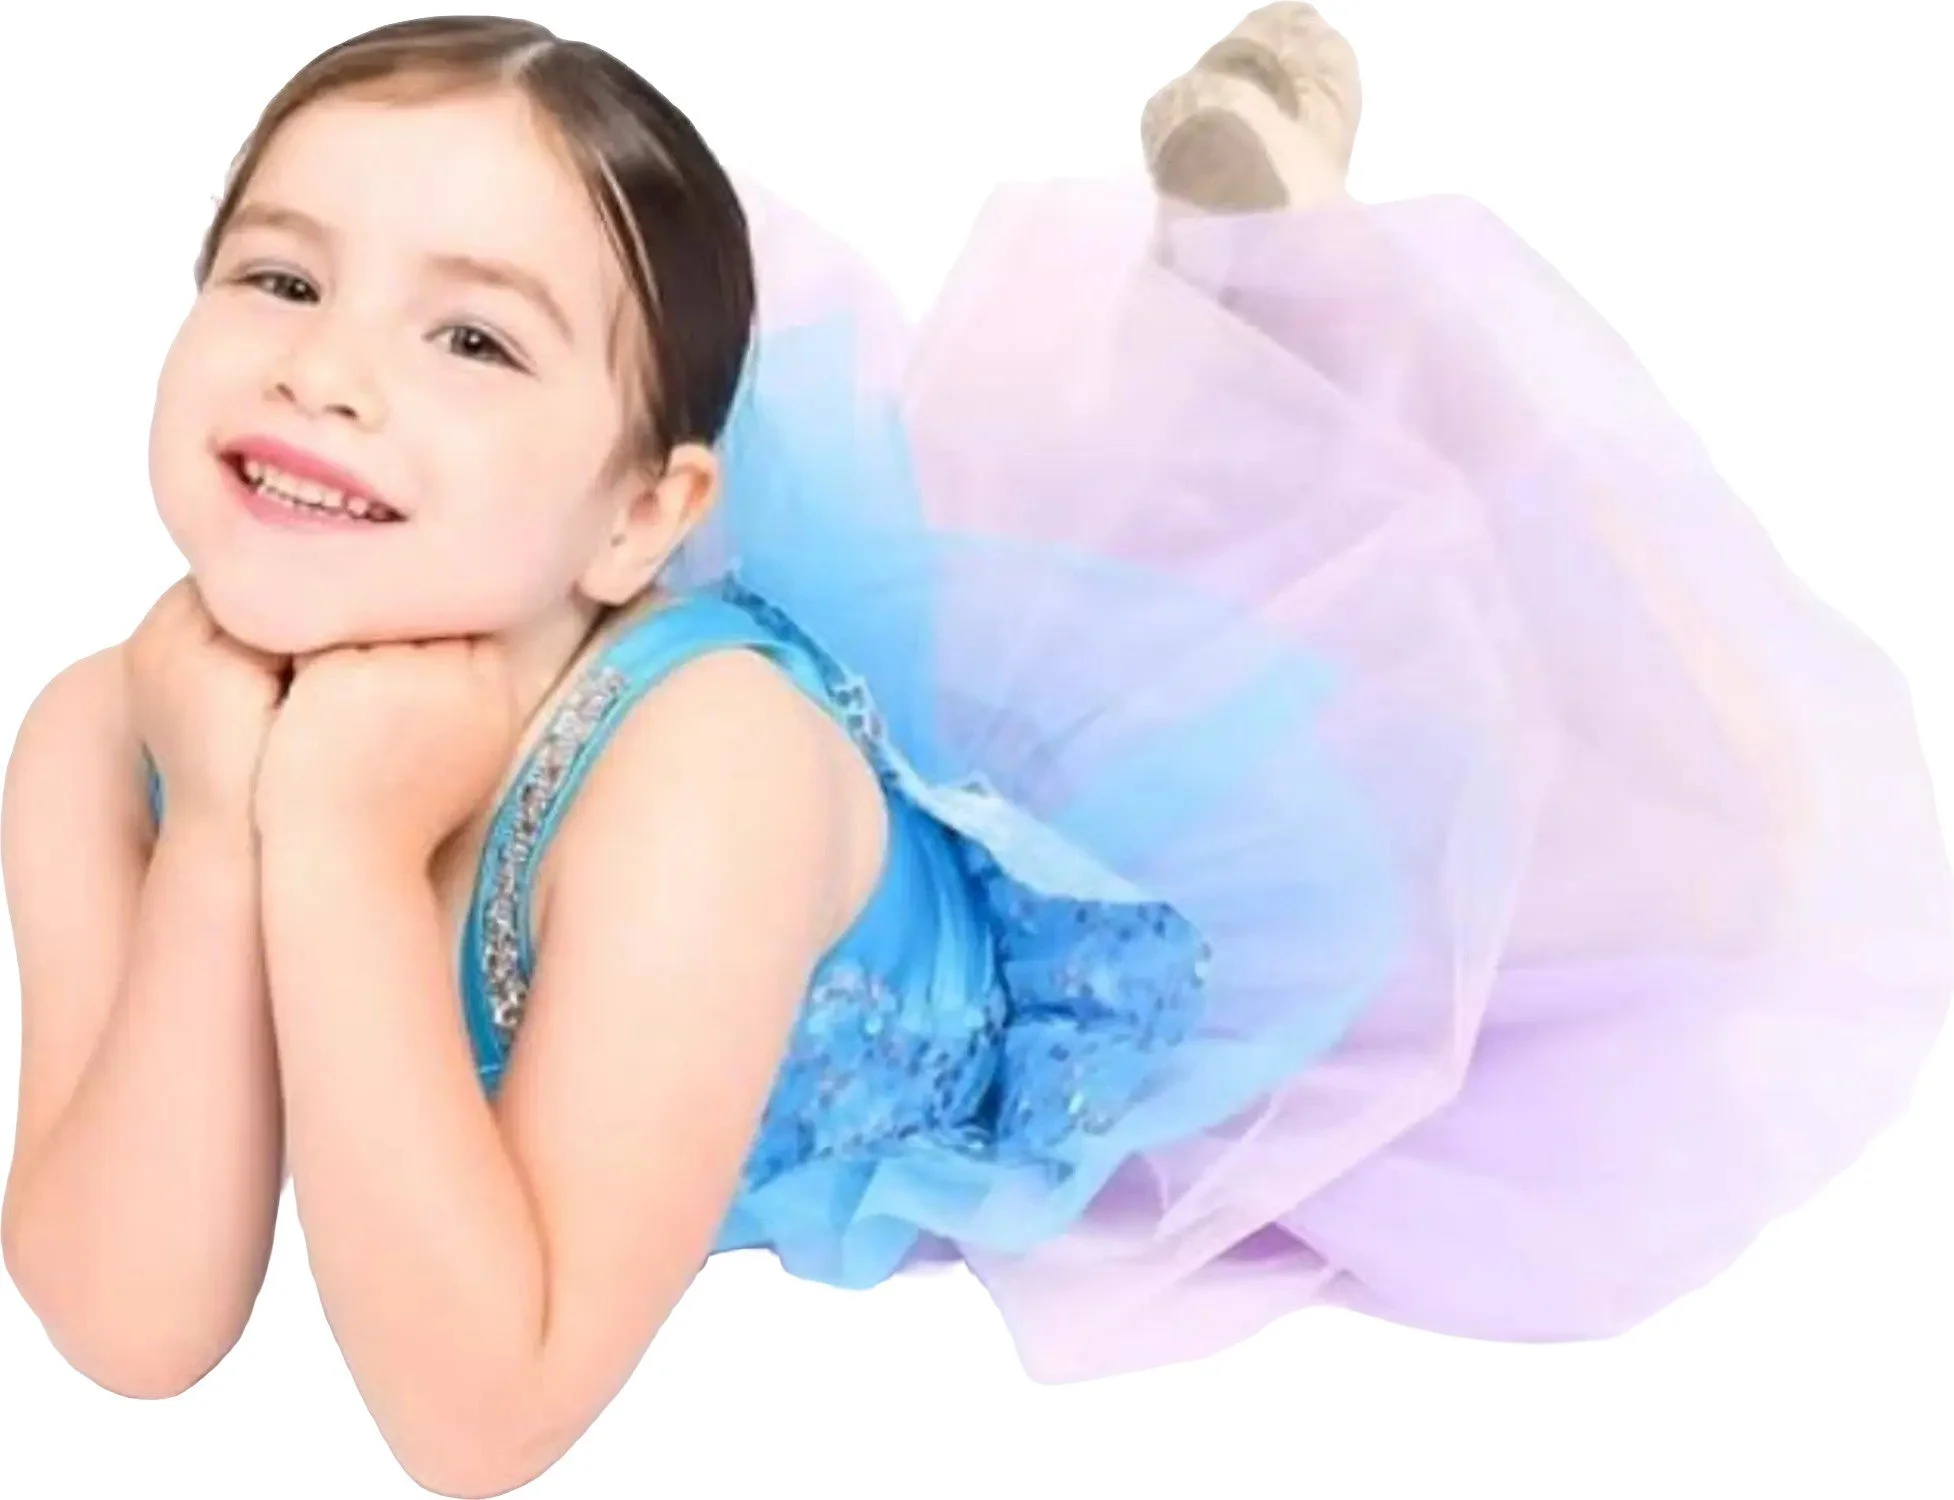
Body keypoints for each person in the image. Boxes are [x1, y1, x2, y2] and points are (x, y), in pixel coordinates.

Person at [4, 6, 1947, 1494]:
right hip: (602, 750)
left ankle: (1274, 276)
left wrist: (335, 843)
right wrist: (222, 842)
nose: (324, 368)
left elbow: (481, 1410)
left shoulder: (704, 772)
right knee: (1048, 527)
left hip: (1132, 952)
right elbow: (136, 1327)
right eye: (278, 276)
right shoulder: (109, 734)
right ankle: (1210, 320)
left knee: (1625, 818)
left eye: (476, 341)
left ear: (635, 521)